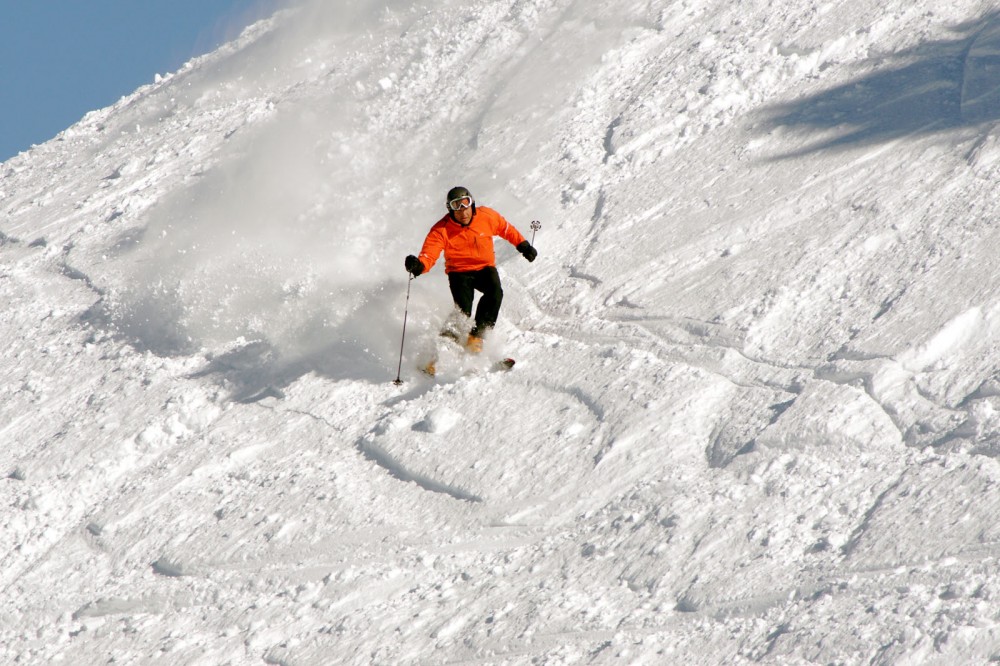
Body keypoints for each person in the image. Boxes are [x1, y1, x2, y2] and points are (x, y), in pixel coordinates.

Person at [404, 186, 537, 355]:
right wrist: (419, 266)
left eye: (465, 204)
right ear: (449, 209)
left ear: (472, 204)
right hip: (459, 272)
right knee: (463, 311)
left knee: (495, 293)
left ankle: (476, 337)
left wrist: (523, 246)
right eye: (456, 206)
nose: (462, 212)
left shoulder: (486, 216)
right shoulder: (441, 229)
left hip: (484, 268)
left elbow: (506, 229)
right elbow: (429, 254)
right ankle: (441, 348)